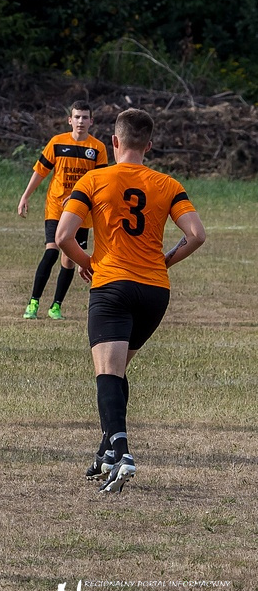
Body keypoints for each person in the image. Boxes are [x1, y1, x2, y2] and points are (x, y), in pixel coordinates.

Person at [56, 108, 206, 493]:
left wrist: (89, 263)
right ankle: (105, 451)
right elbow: (196, 234)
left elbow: (63, 236)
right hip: (155, 292)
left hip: (113, 286)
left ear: (114, 141)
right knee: (118, 371)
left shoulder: (94, 179)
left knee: (107, 374)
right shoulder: (167, 184)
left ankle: (121, 453)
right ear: (149, 146)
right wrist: (165, 260)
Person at [17, 100, 108, 320]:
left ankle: (56, 306)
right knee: (51, 251)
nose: (80, 121)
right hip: (56, 207)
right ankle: (33, 302)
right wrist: (25, 196)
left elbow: (100, 182)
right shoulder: (57, 143)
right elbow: (41, 171)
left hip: (81, 213)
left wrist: (80, 198)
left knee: (68, 260)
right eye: (77, 117)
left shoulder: (97, 148)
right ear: (69, 120)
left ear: (91, 121)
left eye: (85, 117)